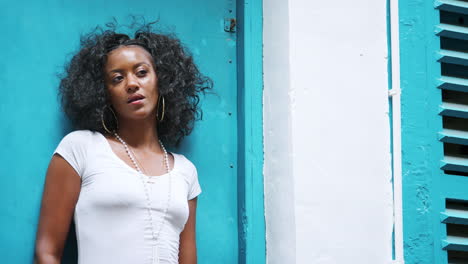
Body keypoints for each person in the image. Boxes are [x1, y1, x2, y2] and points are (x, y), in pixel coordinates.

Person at [34, 22, 212, 264]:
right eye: (117, 78)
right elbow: (47, 253)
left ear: (163, 81)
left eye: (141, 72)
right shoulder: (81, 148)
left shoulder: (186, 171)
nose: (131, 84)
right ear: (104, 93)